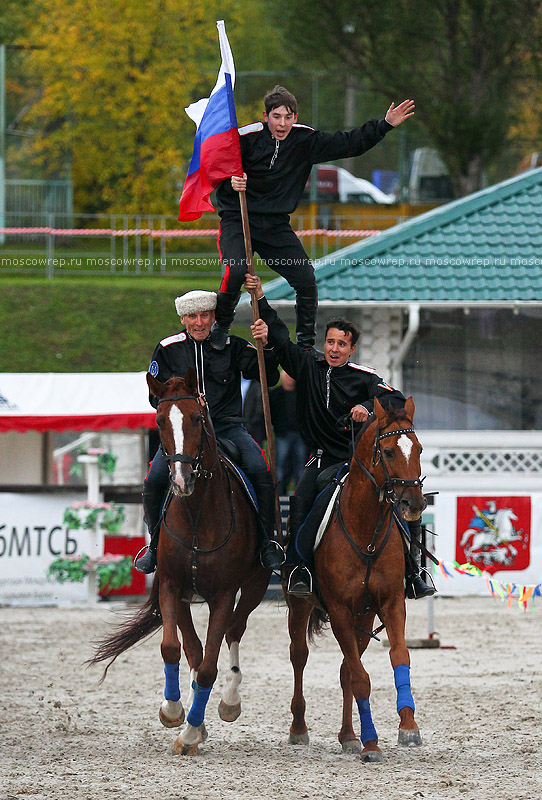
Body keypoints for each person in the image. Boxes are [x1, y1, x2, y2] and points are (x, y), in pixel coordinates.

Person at [247, 274, 434, 600]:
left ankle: (414, 570)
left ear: (352, 348)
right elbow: (279, 335)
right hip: (321, 458)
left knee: (406, 498)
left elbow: (397, 402)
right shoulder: (307, 366)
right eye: (331, 342)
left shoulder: (366, 377)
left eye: (342, 344)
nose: (334, 349)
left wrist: (366, 406)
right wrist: (260, 297)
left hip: (360, 462)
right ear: (325, 342)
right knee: (301, 501)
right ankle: (298, 570)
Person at [210, 85, 415, 352]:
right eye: (276, 117)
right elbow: (213, 165)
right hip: (239, 219)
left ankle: (306, 344)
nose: (281, 124)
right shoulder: (245, 137)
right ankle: (222, 325)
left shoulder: (305, 140)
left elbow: (349, 143)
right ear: (265, 116)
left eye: (287, 117)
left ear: (295, 117)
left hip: (274, 226)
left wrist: (385, 125)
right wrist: (230, 181)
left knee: (306, 279)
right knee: (236, 269)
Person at [134, 289, 285, 574]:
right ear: (183, 318)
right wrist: (186, 404)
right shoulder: (166, 349)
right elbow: (156, 397)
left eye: (205, 315)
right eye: (192, 316)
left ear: (214, 316)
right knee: (154, 479)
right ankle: (154, 546)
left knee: (259, 469)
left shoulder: (234, 345)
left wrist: (267, 345)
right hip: (183, 432)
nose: (199, 322)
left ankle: (268, 542)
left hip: (228, 427)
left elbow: (271, 376)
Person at [269, 370, 307, 495]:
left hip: (300, 435)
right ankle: (278, 493)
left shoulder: (302, 394)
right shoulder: (275, 394)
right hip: (282, 435)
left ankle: (299, 494)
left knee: (300, 466)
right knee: (279, 465)